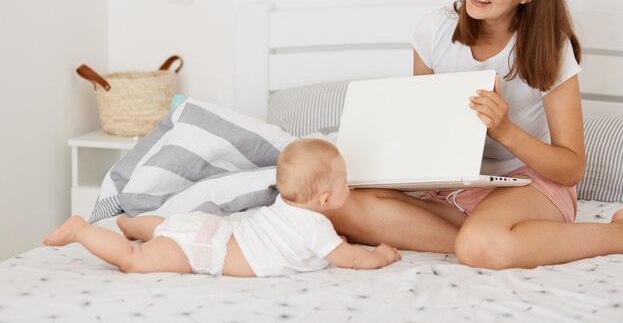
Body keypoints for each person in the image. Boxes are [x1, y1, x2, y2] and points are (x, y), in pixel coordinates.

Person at [327, 0, 623, 270]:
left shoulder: (550, 50)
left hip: (528, 184)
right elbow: (423, 130)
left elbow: (571, 168)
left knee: (479, 243)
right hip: (454, 185)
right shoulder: (435, 31)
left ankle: (615, 235)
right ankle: (500, 239)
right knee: (335, 203)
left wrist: (506, 131)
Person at [43, 139, 400, 277]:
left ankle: (131, 225)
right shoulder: (317, 229)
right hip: (204, 251)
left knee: (165, 227)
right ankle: (82, 230)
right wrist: (382, 255)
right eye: (344, 182)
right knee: (134, 261)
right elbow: (352, 258)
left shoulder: (283, 203)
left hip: (209, 227)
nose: (349, 187)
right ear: (323, 200)